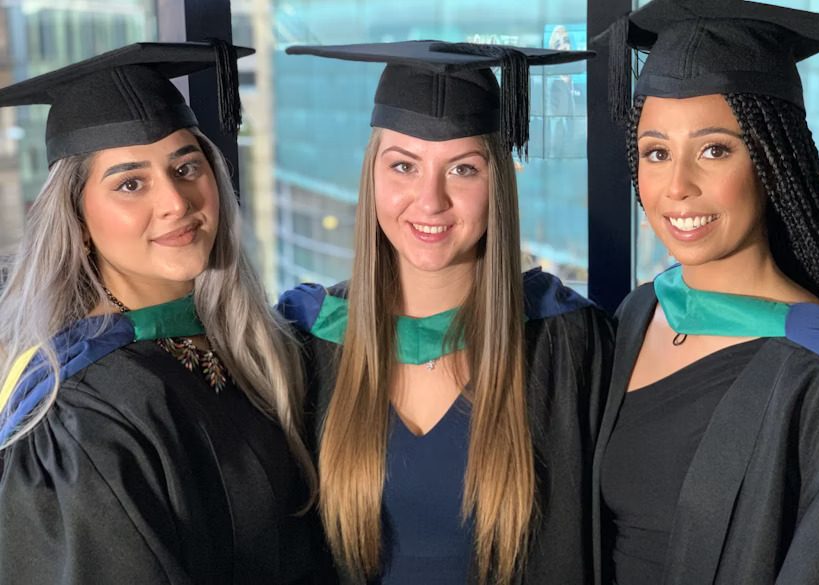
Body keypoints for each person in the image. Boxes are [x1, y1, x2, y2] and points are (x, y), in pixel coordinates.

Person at [279, 41, 614, 584]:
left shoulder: (565, 341)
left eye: (462, 169)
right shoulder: (309, 339)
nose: (430, 199)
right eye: (404, 166)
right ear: (371, 176)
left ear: (498, 183)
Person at [0, 42, 328, 584]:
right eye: (131, 183)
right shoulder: (83, 417)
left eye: (186, 166)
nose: (176, 202)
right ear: (78, 221)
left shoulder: (249, 345)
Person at [592, 1, 819, 583]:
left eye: (714, 150)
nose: (677, 186)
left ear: (774, 161)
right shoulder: (637, 315)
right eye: (656, 152)